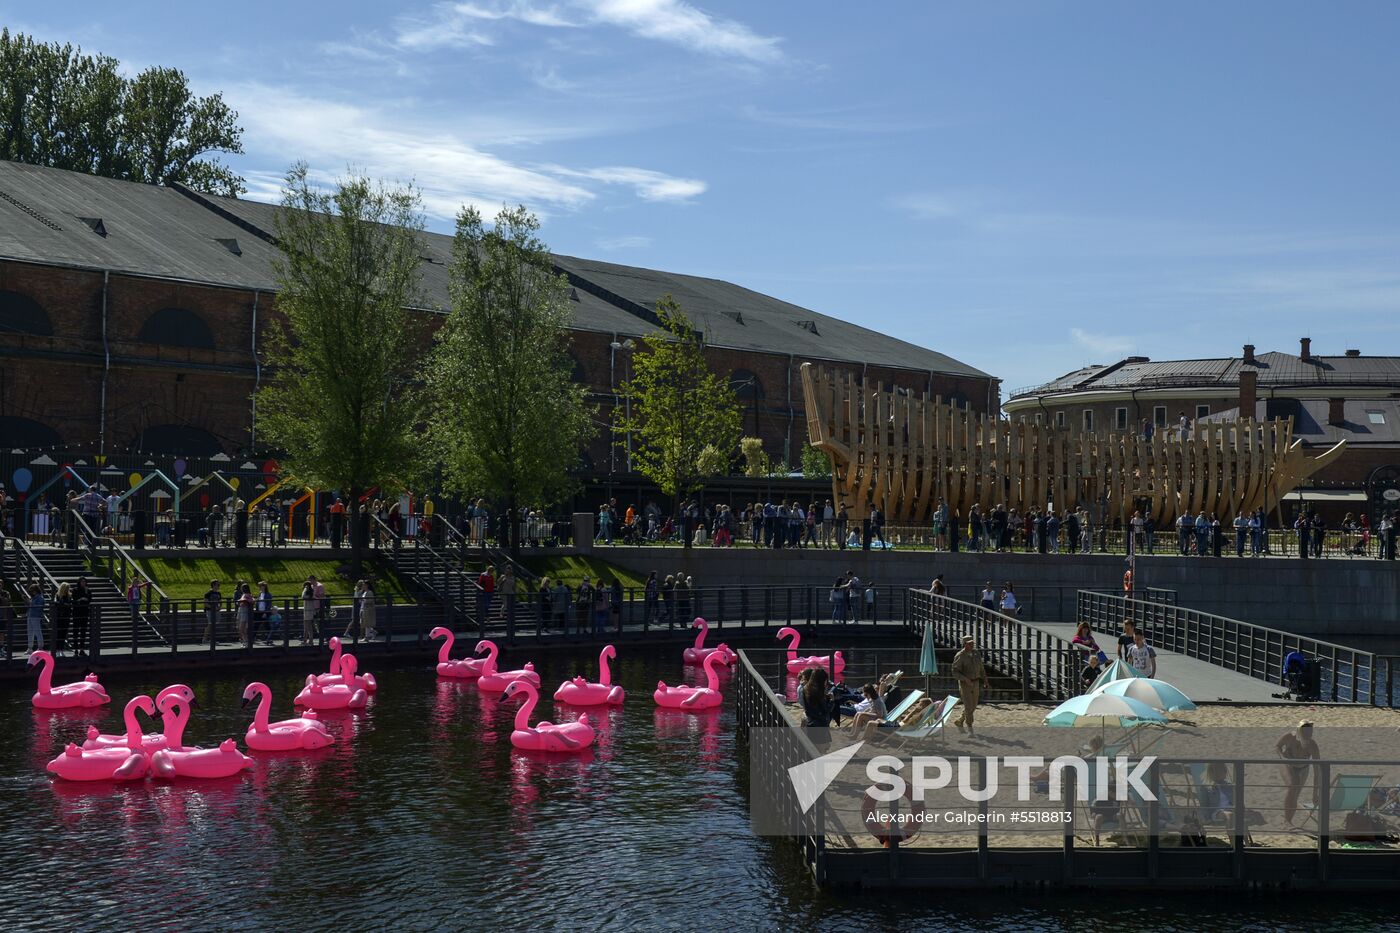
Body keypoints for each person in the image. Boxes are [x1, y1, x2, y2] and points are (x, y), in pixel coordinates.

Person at [1276, 721, 1320, 825]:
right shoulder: (1289, 737)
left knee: (1295, 795)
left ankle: (1289, 820)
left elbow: (1317, 772)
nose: (1307, 736)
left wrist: (1315, 794)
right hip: (1287, 764)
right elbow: (1277, 746)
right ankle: (1286, 821)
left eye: (1309, 733)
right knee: (1292, 786)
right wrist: (1282, 757)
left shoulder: (1312, 745)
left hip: (1303, 768)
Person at [951, 635, 990, 734]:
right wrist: (965, 679)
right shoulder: (960, 655)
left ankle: (960, 720)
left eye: (972, 643)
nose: (972, 645)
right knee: (968, 706)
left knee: (974, 705)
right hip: (965, 684)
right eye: (969, 643)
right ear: (965, 644)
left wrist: (985, 680)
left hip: (976, 682)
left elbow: (981, 668)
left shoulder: (976, 654)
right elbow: (955, 671)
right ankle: (970, 728)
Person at [53, 582, 73, 656]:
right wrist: (64, 604)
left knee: (64, 634)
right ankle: (57, 650)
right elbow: (56, 604)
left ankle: (61, 649)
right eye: (67, 588)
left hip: (66, 617)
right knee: (59, 634)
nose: (68, 589)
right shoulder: (58, 595)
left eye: (68, 588)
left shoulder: (69, 596)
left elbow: (70, 604)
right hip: (60, 617)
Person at [26, 585, 46, 653]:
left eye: (32, 591)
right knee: (30, 632)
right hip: (30, 616)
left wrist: (31, 603)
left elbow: (39, 608)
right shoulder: (33, 598)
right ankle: (30, 648)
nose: (31, 592)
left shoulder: (40, 598)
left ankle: (40, 647)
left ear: (36, 590)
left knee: (38, 632)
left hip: (36, 617)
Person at [202, 579, 222, 644]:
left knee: (214, 625)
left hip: (216, 611)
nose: (219, 586)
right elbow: (205, 603)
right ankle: (205, 639)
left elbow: (220, 601)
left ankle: (211, 639)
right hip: (210, 611)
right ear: (213, 585)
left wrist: (219, 607)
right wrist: (213, 607)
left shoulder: (219, 593)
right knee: (210, 624)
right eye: (217, 585)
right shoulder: (208, 593)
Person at [300, 577, 317, 643]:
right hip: (311, 610)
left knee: (306, 626)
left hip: (307, 610)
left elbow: (302, 596)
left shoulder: (307, 591)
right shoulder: (312, 591)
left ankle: (305, 640)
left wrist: (305, 588)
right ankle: (311, 639)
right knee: (309, 626)